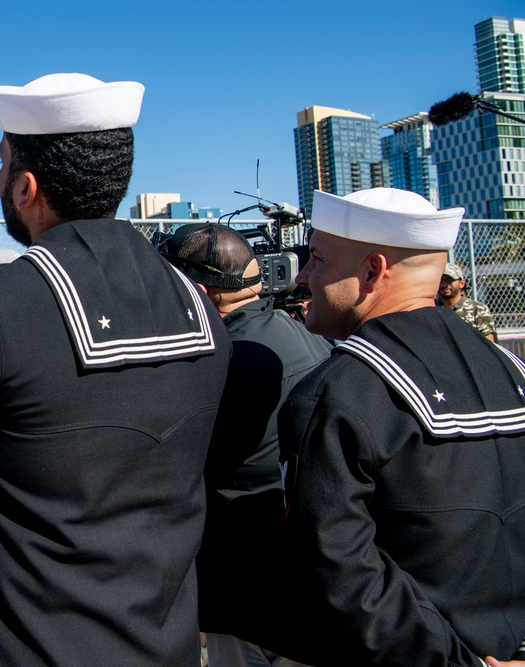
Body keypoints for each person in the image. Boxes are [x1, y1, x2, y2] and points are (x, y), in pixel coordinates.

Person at [0, 73, 231, 666]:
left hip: (32, 646)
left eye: (3, 164)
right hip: (167, 644)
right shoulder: (197, 305)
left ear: (26, 188)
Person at [278, 188, 525, 667]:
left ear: (372, 271)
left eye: (317, 259)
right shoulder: (512, 370)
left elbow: (339, 573)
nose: (304, 277)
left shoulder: (339, 392)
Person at [158, 223, 329, 667]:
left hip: (247, 585)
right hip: (301, 580)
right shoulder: (299, 335)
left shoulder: (226, 358)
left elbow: (177, 468)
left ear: (200, 292)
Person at [437, 262, 497, 341]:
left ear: (461, 283)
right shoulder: (433, 309)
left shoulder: (477, 309)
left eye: (449, 280)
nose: (444, 284)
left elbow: (489, 344)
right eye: (441, 280)